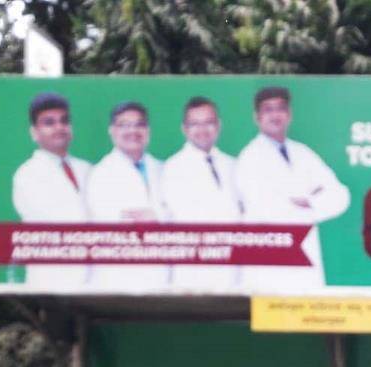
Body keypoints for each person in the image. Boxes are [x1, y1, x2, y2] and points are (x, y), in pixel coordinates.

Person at [235, 85, 350, 293]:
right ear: (257, 117)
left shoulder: (303, 153)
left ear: (289, 115)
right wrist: (312, 198)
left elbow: (341, 195)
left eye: (280, 108)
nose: (275, 115)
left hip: (306, 260)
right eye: (268, 110)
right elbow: (268, 210)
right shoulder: (250, 158)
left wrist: (310, 202)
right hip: (270, 263)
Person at [85, 101, 168, 291]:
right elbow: (112, 223)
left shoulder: (162, 169)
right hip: (118, 277)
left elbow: (176, 215)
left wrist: (157, 217)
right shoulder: (100, 174)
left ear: (148, 130)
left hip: (160, 273)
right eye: (124, 125)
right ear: (112, 131)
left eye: (139, 124)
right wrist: (157, 219)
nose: (133, 131)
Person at [11, 92, 91, 290]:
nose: (59, 128)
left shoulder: (87, 169)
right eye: (49, 123)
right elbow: (63, 221)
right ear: (34, 132)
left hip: (92, 279)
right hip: (51, 280)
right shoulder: (28, 174)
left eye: (64, 121)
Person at [162, 96, 243, 292]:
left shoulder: (234, 165)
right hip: (193, 271)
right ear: (184, 129)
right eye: (195, 124)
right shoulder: (173, 167)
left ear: (219, 125)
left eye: (208, 122)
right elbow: (181, 216)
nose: (202, 130)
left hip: (234, 267)